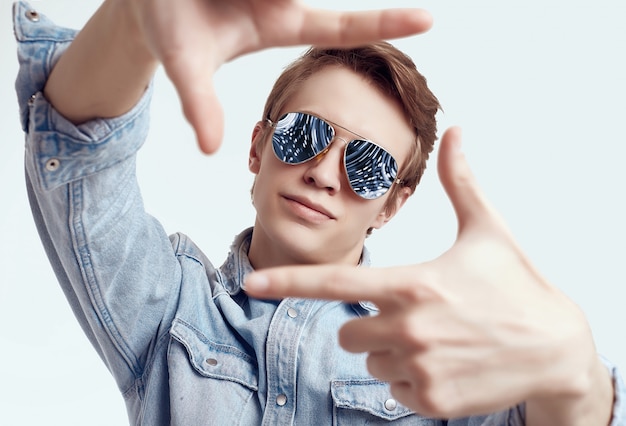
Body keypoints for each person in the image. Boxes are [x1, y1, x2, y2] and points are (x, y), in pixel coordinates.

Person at [12, 0, 624, 425]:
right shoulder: (170, 307)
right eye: (305, 134)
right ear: (258, 146)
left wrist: (575, 379)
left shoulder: (427, 343)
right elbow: (79, 153)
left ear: (392, 204)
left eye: (367, 166)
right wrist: (131, 24)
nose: (324, 174)